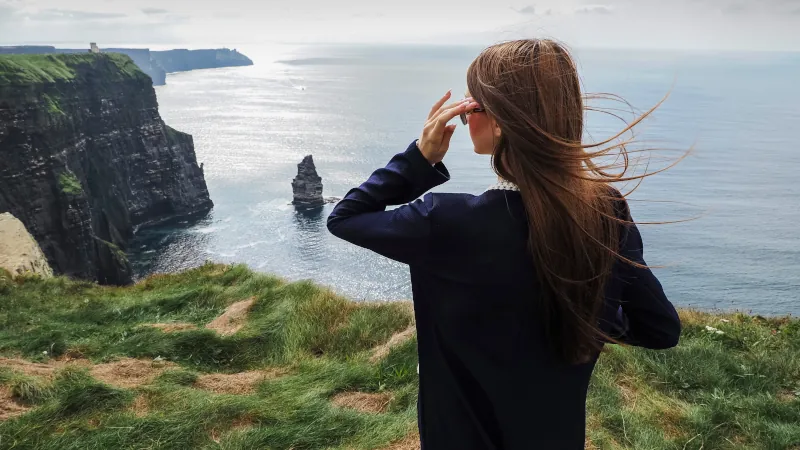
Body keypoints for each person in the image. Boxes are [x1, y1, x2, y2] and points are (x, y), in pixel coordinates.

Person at [327, 39, 681, 450]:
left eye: (471, 105)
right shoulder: (605, 210)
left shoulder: (444, 221)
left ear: (499, 121)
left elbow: (346, 217)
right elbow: (658, 329)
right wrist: (588, 314)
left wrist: (420, 159)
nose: (463, 115)